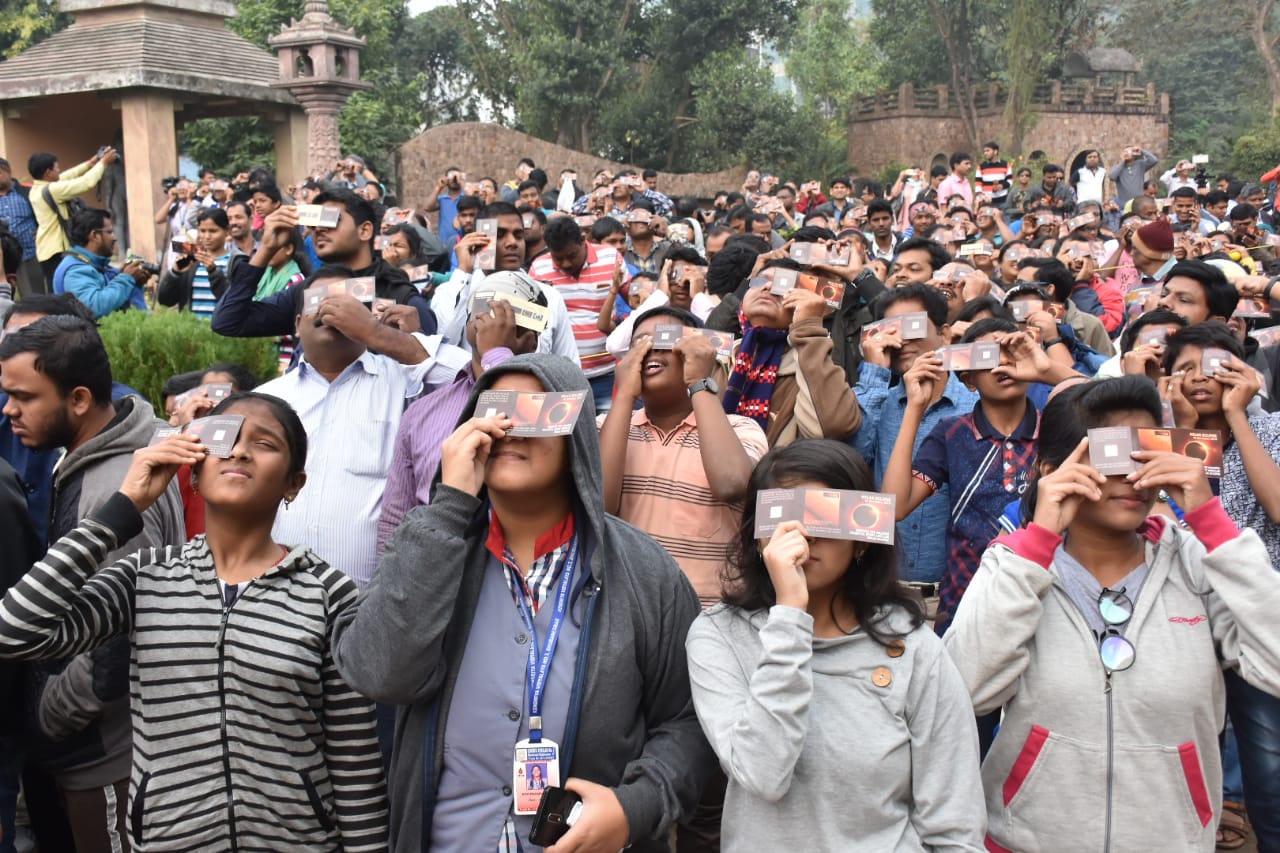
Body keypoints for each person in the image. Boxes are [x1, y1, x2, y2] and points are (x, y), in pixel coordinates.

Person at [331, 352, 716, 852]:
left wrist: (633, 808)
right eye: (493, 411)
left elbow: (686, 721)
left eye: (536, 411)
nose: (509, 427)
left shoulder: (645, 571)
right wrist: (449, 505)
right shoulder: (428, 546)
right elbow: (380, 673)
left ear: (576, 433)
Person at [0, 392, 390, 851]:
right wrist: (121, 508)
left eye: (266, 444)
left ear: (293, 483)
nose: (241, 451)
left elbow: (353, 758)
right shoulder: (144, 578)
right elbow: (15, 629)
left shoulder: (328, 593)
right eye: (228, 439)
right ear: (196, 470)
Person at [944, 376, 1280, 853]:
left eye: (1145, 451)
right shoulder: (1014, 568)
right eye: (1111, 455)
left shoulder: (1197, 564)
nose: (1133, 476)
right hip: (1027, 840)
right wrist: (1036, 542)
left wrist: (1213, 526)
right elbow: (965, 692)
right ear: (1053, 470)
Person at [685, 439, 986, 852]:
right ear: (758, 536)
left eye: (825, 515)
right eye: (783, 516)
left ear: (861, 538)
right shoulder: (718, 636)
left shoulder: (914, 647)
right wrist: (790, 614)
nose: (804, 533)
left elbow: (955, 822)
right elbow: (763, 774)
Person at [0, 315, 184, 853]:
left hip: (105, 757)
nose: (8, 410)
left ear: (78, 399)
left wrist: (51, 715)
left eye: (22, 397)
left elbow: (118, 641)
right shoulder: (99, 454)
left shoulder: (113, 485)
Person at [254, 266, 469, 588]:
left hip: (371, 598)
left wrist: (381, 336)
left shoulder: (404, 382)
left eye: (346, 301)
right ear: (297, 325)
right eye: (320, 300)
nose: (332, 308)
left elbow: (470, 378)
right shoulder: (266, 400)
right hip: (275, 596)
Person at [1161, 324, 1280, 851]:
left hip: (1256, 621)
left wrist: (1238, 415)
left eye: (1214, 367)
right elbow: (1178, 519)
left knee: (1270, 776)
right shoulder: (1159, 439)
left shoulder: (1272, 430)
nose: (1199, 379)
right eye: (1185, 368)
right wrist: (1182, 428)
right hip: (1183, 616)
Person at [881, 318, 1077, 636]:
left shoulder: (1056, 428)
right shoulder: (952, 432)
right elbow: (896, 505)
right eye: (986, 355)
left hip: (1050, 590)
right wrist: (915, 407)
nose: (1003, 361)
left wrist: (1045, 370)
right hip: (967, 597)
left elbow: (1106, 408)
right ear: (968, 380)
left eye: (1012, 350)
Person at [601, 305, 767, 606]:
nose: (649, 350)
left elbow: (732, 483)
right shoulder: (605, 428)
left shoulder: (741, 429)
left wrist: (699, 383)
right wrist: (624, 394)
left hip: (710, 616)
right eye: (639, 343)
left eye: (664, 339)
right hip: (625, 610)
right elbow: (598, 504)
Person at [377, 274, 541, 550]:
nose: (492, 315)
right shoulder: (423, 411)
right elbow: (396, 516)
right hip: (433, 569)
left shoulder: (548, 399)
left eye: (508, 315)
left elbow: (521, 421)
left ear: (531, 340)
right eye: (485, 304)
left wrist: (497, 354)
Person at [849, 285, 980, 615]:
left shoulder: (977, 409)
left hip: (958, 599)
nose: (901, 340)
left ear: (944, 333)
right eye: (890, 330)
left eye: (913, 327)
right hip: (879, 594)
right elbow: (853, 456)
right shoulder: (879, 399)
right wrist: (874, 372)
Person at [211, 189, 437, 339]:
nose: (319, 229)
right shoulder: (308, 291)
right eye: (315, 221)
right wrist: (266, 249)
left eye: (330, 220)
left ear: (365, 230)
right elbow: (228, 322)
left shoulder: (400, 296)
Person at [529, 216, 626, 412]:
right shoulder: (539, 268)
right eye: (558, 258)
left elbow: (633, 297)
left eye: (572, 256)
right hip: (562, 379)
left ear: (583, 241)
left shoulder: (610, 258)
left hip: (607, 374)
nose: (565, 263)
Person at [29, 149, 116, 286]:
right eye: (56, 168)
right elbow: (85, 183)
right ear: (48, 173)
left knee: (58, 290)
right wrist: (103, 163)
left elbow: (65, 177)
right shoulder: (53, 190)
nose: (59, 170)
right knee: (62, 294)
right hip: (56, 251)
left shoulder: (37, 189)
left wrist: (90, 164)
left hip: (47, 250)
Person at [51, 208, 147, 318]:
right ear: (95, 236)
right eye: (110, 232)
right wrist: (126, 279)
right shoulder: (75, 271)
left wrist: (133, 280)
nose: (114, 238)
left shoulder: (92, 264)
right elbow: (93, 307)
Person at [158, 206, 231, 318]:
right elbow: (165, 300)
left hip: (222, 331)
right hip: (193, 332)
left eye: (213, 231)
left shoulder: (235, 261)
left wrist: (213, 272)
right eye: (202, 231)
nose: (207, 236)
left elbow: (233, 301)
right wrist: (175, 273)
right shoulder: (192, 263)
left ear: (227, 231)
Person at [0, 157, 42, 298]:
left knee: (35, 297)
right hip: (2, 260)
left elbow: (43, 216)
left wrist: (41, 229)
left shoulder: (27, 192)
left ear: (9, 171)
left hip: (28, 255)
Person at [977, 142, 1012, 207]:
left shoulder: (1006, 165)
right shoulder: (981, 166)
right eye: (984, 151)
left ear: (995, 151)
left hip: (1003, 200)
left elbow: (1010, 180)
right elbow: (978, 184)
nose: (985, 153)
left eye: (988, 151)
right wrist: (981, 197)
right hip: (987, 201)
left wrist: (1001, 186)